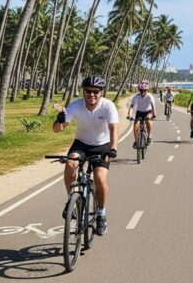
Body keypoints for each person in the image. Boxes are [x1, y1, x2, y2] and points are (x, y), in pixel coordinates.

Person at [53, 76, 118, 236]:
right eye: (88, 91)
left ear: (101, 93)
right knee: (70, 164)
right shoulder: (76, 105)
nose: (92, 95)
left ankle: (101, 214)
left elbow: (113, 129)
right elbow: (57, 130)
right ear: (83, 92)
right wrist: (59, 121)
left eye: (96, 92)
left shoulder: (108, 106)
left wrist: (113, 149)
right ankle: (71, 201)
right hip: (81, 144)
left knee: (100, 178)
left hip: (102, 146)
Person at [127, 80, 157, 146]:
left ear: (147, 90)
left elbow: (153, 107)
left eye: (145, 90)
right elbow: (131, 107)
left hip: (148, 111)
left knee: (148, 121)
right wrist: (129, 114)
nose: (143, 91)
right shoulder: (136, 97)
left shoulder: (150, 96)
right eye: (141, 90)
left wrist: (154, 114)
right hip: (139, 112)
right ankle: (136, 141)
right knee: (135, 127)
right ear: (140, 89)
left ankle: (149, 136)